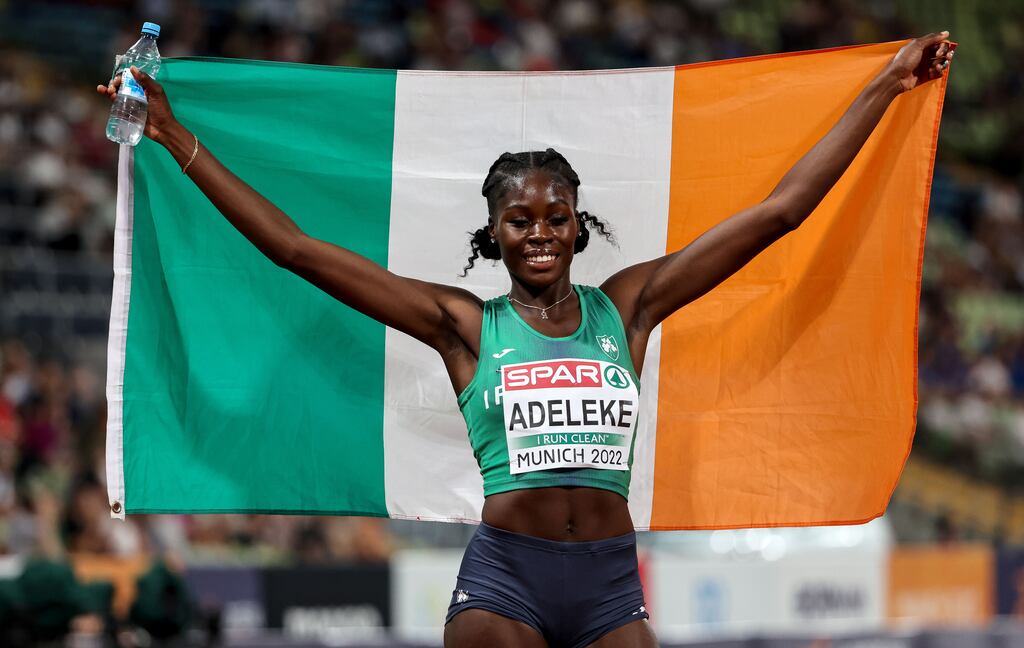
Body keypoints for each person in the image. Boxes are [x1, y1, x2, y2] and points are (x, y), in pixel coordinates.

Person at [99, 32, 954, 648]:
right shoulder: (466, 326)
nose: (540, 232)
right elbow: (295, 249)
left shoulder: (633, 306)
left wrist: (884, 86)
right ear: (495, 234)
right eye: (520, 220)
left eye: (557, 217)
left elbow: (779, 213)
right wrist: (174, 134)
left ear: (581, 228)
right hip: (506, 586)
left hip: (614, 588)